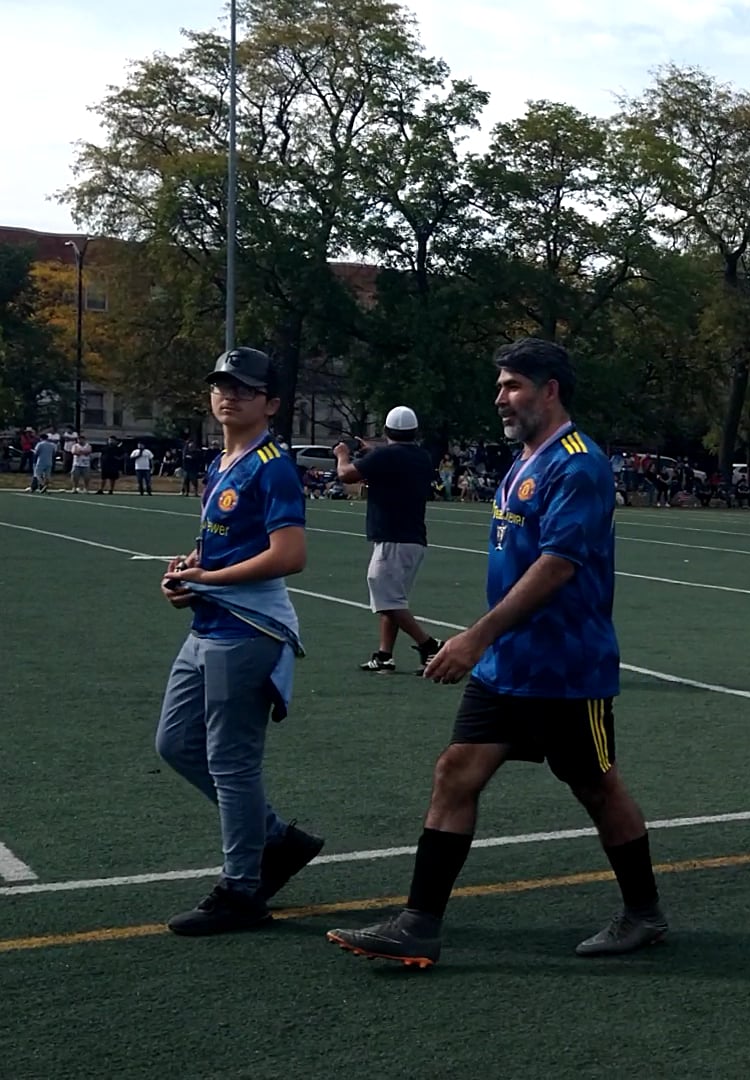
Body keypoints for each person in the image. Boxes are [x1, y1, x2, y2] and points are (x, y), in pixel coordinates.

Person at [326, 337, 665, 969]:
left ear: (550, 389)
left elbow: (558, 566)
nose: (500, 398)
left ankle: (644, 914)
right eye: (501, 385)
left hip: (565, 668)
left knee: (596, 787)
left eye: (512, 385)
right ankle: (419, 923)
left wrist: (475, 635)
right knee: (456, 771)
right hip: (506, 664)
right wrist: (489, 645)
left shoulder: (578, 463)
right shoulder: (525, 461)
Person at [156, 347, 324, 935]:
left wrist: (207, 580)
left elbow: (289, 556)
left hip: (248, 629)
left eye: (244, 389)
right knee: (176, 744)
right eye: (221, 386)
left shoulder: (272, 464)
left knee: (232, 762)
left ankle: (242, 890)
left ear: (271, 404)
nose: (227, 396)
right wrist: (191, 571)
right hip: (211, 622)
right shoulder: (225, 460)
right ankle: (275, 838)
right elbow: (229, 545)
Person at [333, 406, 442, 673]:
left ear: (386, 430)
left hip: (393, 537)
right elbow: (397, 462)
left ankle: (429, 645)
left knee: (386, 599)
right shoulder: (422, 457)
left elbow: (346, 474)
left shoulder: (385, 456)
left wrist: (342, 455)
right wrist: (375, 453)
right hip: (413, 537)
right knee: (393, 599)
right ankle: (384, 655)